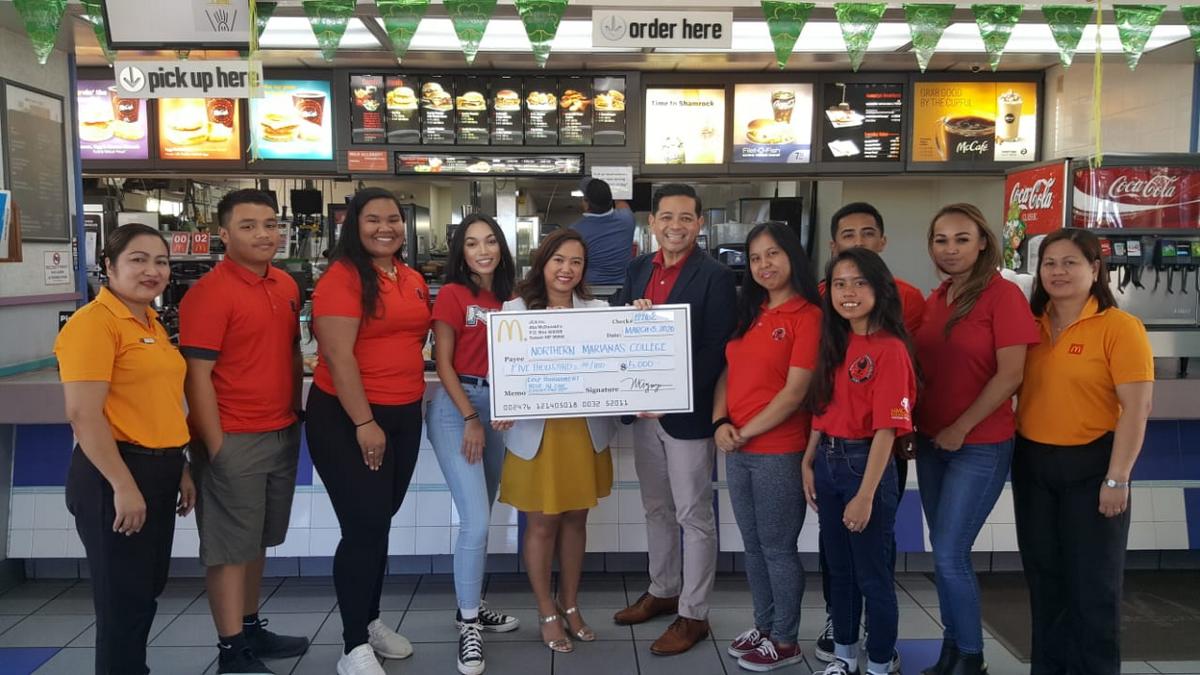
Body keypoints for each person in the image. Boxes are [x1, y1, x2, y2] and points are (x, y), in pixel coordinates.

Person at [55, 224, 196, 675]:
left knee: (143, 593)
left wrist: (181, 466)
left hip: (158, 471)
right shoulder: (93, 325)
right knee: (122, 605)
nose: (152, 270)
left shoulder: (148, 321)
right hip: (113, 475)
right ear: (109, 267)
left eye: (161, 261)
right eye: (138, 259)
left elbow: (159, 403)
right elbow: (83, 414)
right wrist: (123, 485)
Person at [179, 189, 309, 674]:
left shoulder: (286, 285)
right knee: (230, 549)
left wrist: (293, 413)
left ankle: (251, 628)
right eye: (250, 226)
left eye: (271, 224)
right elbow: (197, 376)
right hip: (232, 437)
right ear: (224, 233)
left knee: (257, 541)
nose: (264, 234)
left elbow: (293, 353)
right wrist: (215, 447)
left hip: (280, 431)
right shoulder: (208, 294)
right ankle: (231, 649)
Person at [1013, 229, 1153, 675]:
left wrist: (1118, 477)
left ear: (1095, 269)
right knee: (1045, 582)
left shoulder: (1119, 327)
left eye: (1070, 262)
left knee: (1093, 588)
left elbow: (1137, 408)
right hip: (1033, 464)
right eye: (1049, 262)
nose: (1058, 271)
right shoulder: (1029, 325)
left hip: (1093, 466)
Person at [306, 188, 429, 675]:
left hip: (403, 414)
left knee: (380, 520)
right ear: (353, 225)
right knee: (363, 527)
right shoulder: (342, 277)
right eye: (373, 219)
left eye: (394, 219)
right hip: (349, 417)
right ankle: (353, 643)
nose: (385, 227)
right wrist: (364, 422)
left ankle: (371, 619)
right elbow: (337, 356)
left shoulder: (411, 277)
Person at [610, 184, 737, 656]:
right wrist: (632, 315)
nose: (675, 226)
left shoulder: (717, 277)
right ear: (652, 222)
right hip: (644, 415)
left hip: (687, 416)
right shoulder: (638, 268)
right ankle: (662, 590)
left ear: (700, 223)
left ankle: (694, 613)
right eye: (667, 217)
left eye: (686, 218)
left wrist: (674, 395)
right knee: (656, 509)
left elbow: (717, 349)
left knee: (694, 516)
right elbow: (621, 332)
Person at [913, 203, 1039, 675]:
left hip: (979, 445)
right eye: (941, 240)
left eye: (961, 239)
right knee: (942, 552)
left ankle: (971, 657)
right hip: (931, 443)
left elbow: (1011, 375)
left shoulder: (1001, 296)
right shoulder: (938, 298)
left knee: (949, 552)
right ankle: (952, 650)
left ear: (983, 242)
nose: (950, 249)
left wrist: (961, 427)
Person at [495, 228, 616, 654]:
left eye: (576, 262)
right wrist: (503, 402)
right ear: (542, 263)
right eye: (558, 260)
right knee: (542, 522)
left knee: (576, 521)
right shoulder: (513, 310)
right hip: (536, 433)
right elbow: (501, 372)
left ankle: (570, 603)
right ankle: (546, 608)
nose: (566, 270)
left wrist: (642, 318)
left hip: (582, 431)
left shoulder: (600, 311)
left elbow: (621, 360)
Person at [815, 202, 926, 663]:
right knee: (838, 571)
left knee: (872, 575)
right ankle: (843, 656)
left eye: (860, 283)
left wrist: (865, 493)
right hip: (827, 461)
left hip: (868, 466)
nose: (848, 292)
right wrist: (808, 460)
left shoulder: (891, 349)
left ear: (880, 288)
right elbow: (822, 410)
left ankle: (879, 661)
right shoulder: (836, 341)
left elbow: (888, 429)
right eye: (840, 284)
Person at [712, 221, 821, 672]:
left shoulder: (809, 316)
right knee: (753, 546)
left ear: (792, 255)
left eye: (772, 253)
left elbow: (795, 393)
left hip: (779, 450)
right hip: (739, 448)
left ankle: (786, 639)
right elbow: (728, 373)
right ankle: (765, 624)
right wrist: (721, 421)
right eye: (755, 257)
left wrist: (747, 430)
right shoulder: (751, 312)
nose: (763, 265)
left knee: (777, 547)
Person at [427, 214, 521, 675]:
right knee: (477, 522)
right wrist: (469, 416)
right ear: (460, 252)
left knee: (484, 511)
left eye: (489, 242)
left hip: (499, 410)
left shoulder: (513, 298)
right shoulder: (452, 294)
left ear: (501, 248)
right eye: (471, 243)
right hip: (457, 407)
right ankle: (469, 626)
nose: (482, 250)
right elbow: (441, 362)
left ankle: (474, 604)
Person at [571, 176, 636, 286]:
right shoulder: (627, 219)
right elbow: (621, 202)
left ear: (586, 204)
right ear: (610, 200)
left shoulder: (575, 231)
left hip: (589, 289)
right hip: (622, 288)